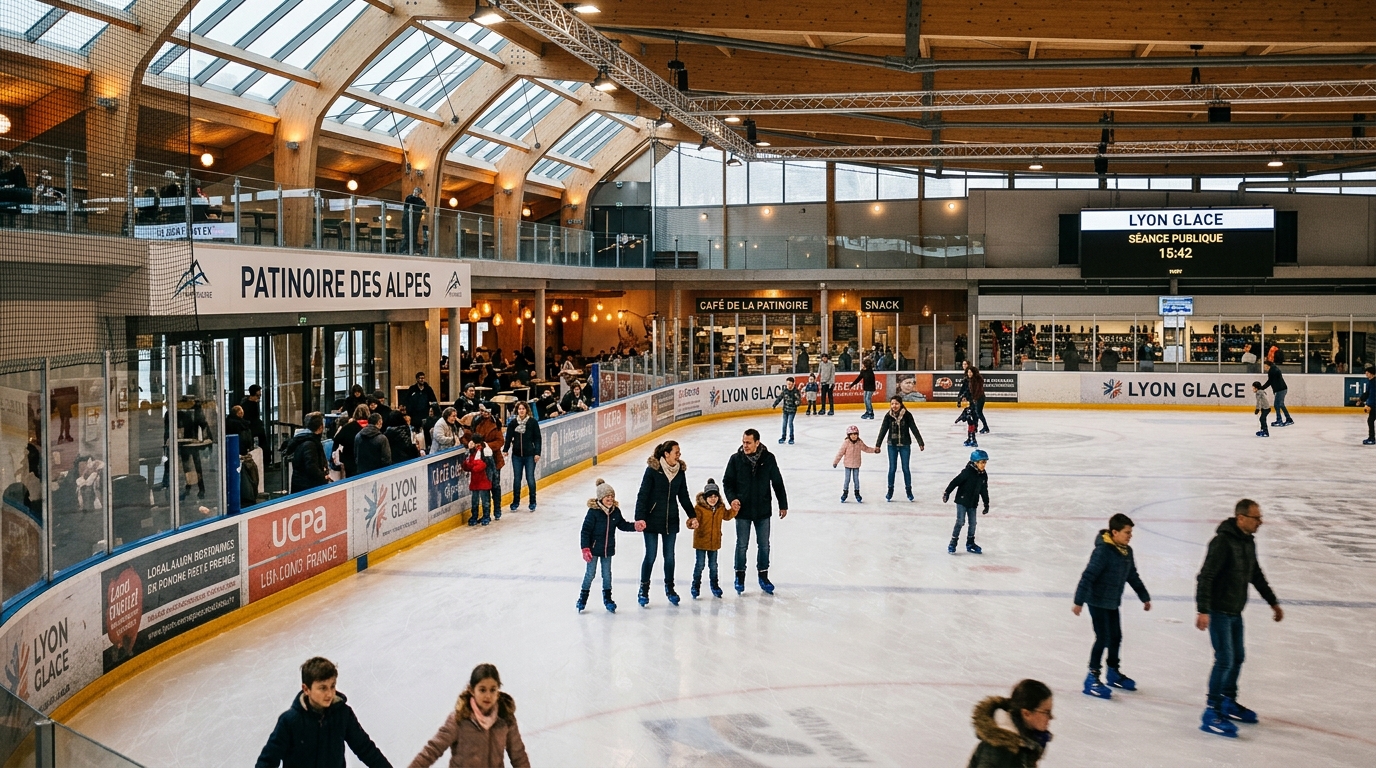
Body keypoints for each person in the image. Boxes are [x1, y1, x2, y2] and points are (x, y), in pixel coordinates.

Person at [1195, 498, 1283, 737]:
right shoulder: (1222, 542)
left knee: (1237, 657)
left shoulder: (1247, 543)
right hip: (1219, 611)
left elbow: (1255, 574)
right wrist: (1203, 609)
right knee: (1224, 659)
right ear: (1241, 518)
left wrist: (1272, 601)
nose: (1260, 522)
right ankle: (1211, 711)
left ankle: (1227, 701)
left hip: (1235, 611)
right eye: (1256, 518)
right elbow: (1205, 576)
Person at [255, 656, 391, 768]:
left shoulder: (342, 714)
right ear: (306, 689)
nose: (330, 694)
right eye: (322, 688)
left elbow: (365, 748)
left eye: (332, 686)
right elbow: (268, 761)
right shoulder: (290, 721)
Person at [1072, 513, 1152, 700]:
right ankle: (1092, 677)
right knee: (1103, 638)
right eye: (1127, 532)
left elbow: (1132, 575)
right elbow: (1088, 576)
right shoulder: (1103, 552)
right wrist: (1079, 601)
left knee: (1116, 637)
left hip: (1112, 602)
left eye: (1131, 532)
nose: (1130, 535)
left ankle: (1113, 673)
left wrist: (1144, 596)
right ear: (1114, 532)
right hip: (1097, 601)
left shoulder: (1126, 551)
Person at [407, 663, 529, 768]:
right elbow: (432, 750)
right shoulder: (459, 719)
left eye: (493, 690)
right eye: (482, 690)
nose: (488, 695)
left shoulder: (505, 718)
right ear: (472, 690)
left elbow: (518, 755)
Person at [723, 429, 788, 595]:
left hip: (762, 510)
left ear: (757, 443)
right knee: (742, 545)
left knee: (764, 545)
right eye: (743, 442)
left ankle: (763, 575)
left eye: (748, 443)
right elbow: (727, 483)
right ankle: (739, 575)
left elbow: (777, 482)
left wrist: (783, 504)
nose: (745, 445)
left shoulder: (768, 458)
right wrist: (732, 499)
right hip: (743, 511)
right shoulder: (736, 459)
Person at [634, 440, 696, 607]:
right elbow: (643, 494)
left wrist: (692, 515)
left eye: (679, 451)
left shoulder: (679, 472)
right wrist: (639, 518)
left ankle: (670, 589)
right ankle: (643, 589)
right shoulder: (653, 470)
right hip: (651, 520)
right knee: (651, 555)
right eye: (676, 451)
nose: (679, 454)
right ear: (666, 454)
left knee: (669, 557)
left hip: (670, 520)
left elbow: (684, 496)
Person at [578, 478, 645, 613]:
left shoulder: (615, 511)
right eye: (607, 496)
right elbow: (585, 531)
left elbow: (622, 524)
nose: (610, 499)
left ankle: (608, 599)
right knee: (590, 574)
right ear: (601, 498)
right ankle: (582, 598)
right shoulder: (593, 512)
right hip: (593, 549)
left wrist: (635, 526)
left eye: (612, 496)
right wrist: (585, 548)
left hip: (607, 549)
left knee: (607, 574)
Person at [966, 679, 1053, 768]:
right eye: (1046, 712)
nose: (1051, 717)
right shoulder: (999, 751)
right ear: (1026, 713)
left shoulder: (1024, 743)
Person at [690, 478, 735, 599]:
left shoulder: (720, 508)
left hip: (714, 542)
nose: (713, 499)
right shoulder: (699, 509)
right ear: (705, 497)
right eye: (710, 496)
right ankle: (696, 585)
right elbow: (691, 520)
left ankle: (714, 585)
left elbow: (726, 516)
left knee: (713, 565)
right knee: (700, 564)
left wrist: (734, 510)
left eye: (715, 496)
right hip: (701, 542)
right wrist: (692, 523)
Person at [875, 395, 924, 502]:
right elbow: (883, 430)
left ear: (901, 404)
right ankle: (890, 490)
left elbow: (914, 428)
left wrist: (920, 442)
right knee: (892, 469)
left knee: (905, 469)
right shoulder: (888, 416)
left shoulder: (907, 415)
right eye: (892, 404)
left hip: (905, 445)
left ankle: (909, 491)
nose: (894, 406)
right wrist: (878, 445)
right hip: (892, 445)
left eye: (896, 404)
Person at [942, 449, 990, 555]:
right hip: (962, 501)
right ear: (975, 462)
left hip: (973, 502)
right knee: (960, 521)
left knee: (973, 523)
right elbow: (955, 482)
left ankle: (970, 543)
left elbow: (984, 490)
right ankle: (953, 543)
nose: (984, 465)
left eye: (985, 462)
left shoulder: (983, 475)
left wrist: (986, 503)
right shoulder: (967, 472)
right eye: (982, 462)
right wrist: (947, 492)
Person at [463, 407, 505, 518]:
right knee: (482, 488)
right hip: (479, 459)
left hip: (494, 460)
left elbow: (500, 441)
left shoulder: (495, 423)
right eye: (482, 411)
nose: (484, 413)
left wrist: (485, 446)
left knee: (495, 486)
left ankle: (497, 509)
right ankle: (485, 513)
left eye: (487, 411)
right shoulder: (476, 421)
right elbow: (467, 435)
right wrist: (469, 443)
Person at [504, 401, 541, 512]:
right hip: (516, 456)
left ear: (527, 410)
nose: (521, 411)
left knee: (530, 478)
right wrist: (505, 450)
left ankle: (532, 501)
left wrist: (537, 453)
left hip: (530, 455)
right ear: (517, 411)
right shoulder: (513, 423)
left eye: (523, 409)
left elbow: (537, 438)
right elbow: (508, 437)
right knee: (517, 479)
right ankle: (516, 502)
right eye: (519, 409)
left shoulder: (532, 422)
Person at [282, 412, 329, 494]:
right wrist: (323, 477)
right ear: (320, 427)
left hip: (301, 485)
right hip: (308, 487)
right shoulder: (310, 444)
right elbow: (311, 467)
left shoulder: (302, 440)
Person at [833, 424, 880, 503]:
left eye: (855, 434)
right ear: (848, 435)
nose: (854, 436)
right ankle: (845, 493)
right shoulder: (846, 443)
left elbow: (866, 448)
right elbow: (840, 453)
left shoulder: (859, 442)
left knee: (856, 480)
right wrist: (835, 462)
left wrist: (874, 450)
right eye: (852, 434)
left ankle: (857, 493)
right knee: (847, 480)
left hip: (856, 465)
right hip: (847, 465)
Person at [462, 439, 494, 526]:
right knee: (474, 501)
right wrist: (469, 461)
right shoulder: (470, 453)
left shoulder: (484, 451)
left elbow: (481, 465)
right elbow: (466, 466)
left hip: (484, 480)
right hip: (475, 482)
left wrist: (473, 465)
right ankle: (474, 516)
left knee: (485, 501)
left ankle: (486, 516)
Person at [335, 405, 370, 477]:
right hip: (367, 461)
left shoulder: (348, 427)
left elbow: (337, 439)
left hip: (350, 461)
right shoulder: (372, 427)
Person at [958, 365, 990, 438]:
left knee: (978, 413)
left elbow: (977, 391)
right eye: (968, 372)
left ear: (974, 372)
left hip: (980, 398)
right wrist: (965, 396)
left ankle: (985, 427)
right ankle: (980, 427)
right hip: (976, 398)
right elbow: (969, 391)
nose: (969, 374)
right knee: (977, 413)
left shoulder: (976, 380)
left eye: (970, 372)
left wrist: (974, 398)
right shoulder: (971, 380)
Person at [1260, 359, 1293, 427]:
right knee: (1280, 404)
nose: (1264, 368)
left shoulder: (1272, 371)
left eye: (1265, 366)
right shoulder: (1274, 369)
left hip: (1280, 390)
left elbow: (1270, 381)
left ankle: (1280, 420)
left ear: (1268, 366)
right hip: (1281, 389)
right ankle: (1288, 419)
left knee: (1277, 404)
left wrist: (1262, 388)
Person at [240, 384, 268, 456]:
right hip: (251, 428)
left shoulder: (249, 403)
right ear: (253, 395)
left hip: (252, 427)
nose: (259, 398)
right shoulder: (249, 405)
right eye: (258, 396)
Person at [771, 377, 801, 444]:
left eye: (790, 384)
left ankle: (791, 438)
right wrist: (774, 404)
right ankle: (783, 437)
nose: (788, 385)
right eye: (787, 384)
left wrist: (797, 403)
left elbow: (799, 400)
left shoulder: (795, 392)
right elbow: (780, 398)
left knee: (790, 423)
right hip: (785, 410)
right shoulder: (785, 391)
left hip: (792, 411)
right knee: (784, 424)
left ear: (793, 384)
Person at [402, 187, 426, 255]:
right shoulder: (409, 198)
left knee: (414, 233)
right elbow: (407, 206)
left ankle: (412, 249)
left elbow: (423, 205)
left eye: (418, 193)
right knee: (408, 234)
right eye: (416, 192)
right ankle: (407, 249)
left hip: (415, 219)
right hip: (408, 218)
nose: (417, 194)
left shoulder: (420, 200)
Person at [1362, 365, 1376, 445]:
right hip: (1373, 405)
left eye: (1368, 372)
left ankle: (1372, 438)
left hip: (1374, 405)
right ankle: (1371, 437)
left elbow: (1373, 395)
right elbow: (1367, 393)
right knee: (1370, 420)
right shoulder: (1371, 382)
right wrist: (1361, 399)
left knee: (1370, 420)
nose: (1366, 373)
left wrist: (1369, 405)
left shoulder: (1374, 383)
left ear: (1372, 374)